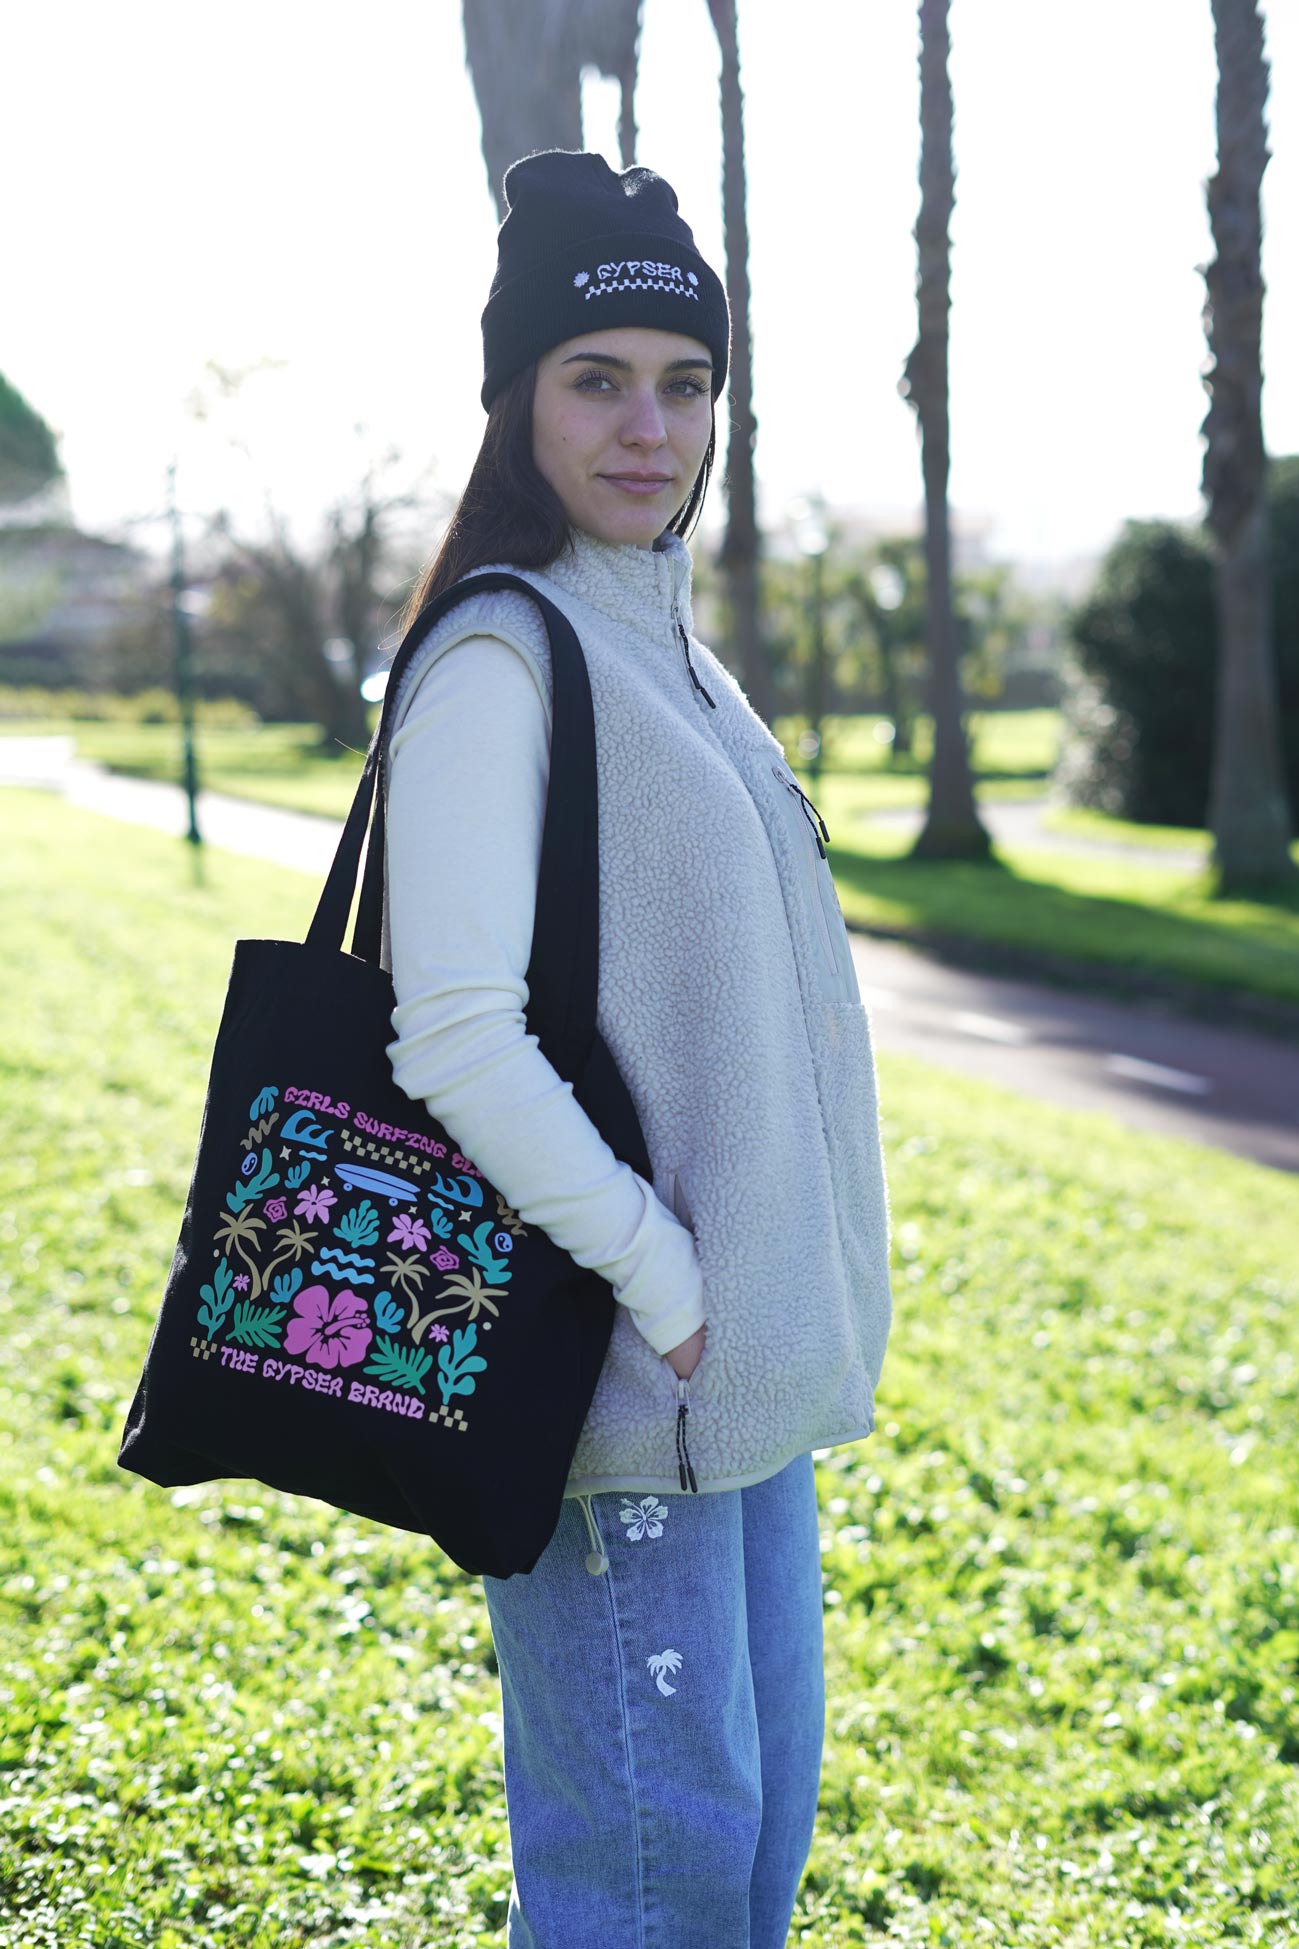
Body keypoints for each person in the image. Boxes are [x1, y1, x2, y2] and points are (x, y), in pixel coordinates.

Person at [381, 149, 893, 1949]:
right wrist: (664, 1273)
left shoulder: (676, 653)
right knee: (652, 1886)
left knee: (739, 1868)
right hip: (624, 1381)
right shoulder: (501, 659)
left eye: (686, 383)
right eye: (596, 377)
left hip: (743, 1388)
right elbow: (451, 1031)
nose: (647, 427)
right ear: (519, 398)